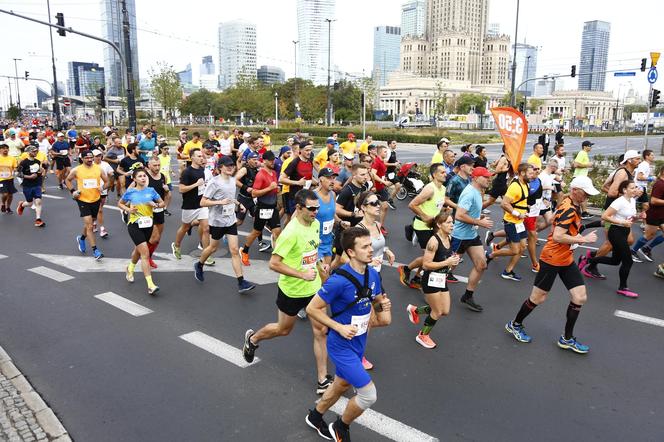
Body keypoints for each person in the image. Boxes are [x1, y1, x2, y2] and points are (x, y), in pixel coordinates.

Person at [304, 227, 391, 442]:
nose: (371, 250)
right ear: (351, 252)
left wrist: (383, 305)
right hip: (340, 345)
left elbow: (377, 299)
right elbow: (312, 309)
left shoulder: (372, 274)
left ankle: (315, 416)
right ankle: (341, 426)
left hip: (359, 341)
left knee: (340, 385)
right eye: (365, 247)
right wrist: (338, 327)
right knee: (368, 395)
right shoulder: (338, 280)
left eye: (370, 245)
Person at [243, 189, 331, 396]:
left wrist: (320, 266)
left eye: (317, 208)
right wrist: (301, 275)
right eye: (311, 208)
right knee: (283, 329)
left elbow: (312, 252)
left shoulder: (316, 225)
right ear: (298, 208)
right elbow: (274, 264)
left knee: (321, 332)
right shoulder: (290, 233)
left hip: (314, 288)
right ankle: (253, 340)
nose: (315, 212)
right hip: (292, 290)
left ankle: (322, 380)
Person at [504, 176, 599, 354]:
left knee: (579, 297)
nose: (587, 196)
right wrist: (582, 239)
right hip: (552, 258)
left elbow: (563, 226)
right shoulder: (569, 207)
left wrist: (596, 224)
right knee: (538, 298)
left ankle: (567, 338)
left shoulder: (571, 203)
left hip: (566, 258)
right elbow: (558, 236)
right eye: (585, 193)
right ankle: (515, 324)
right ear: (575, 190)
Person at [194, 156, 256, 293]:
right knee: (212, 248)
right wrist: (219, 202)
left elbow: (230, 197)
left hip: (230, 220)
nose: (230, 167)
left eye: (232, 165)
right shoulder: (214, 183)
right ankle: (199, 264)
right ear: (220, 167)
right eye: (227, 165)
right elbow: (203, 202)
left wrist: (238, 204)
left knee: (234, 250)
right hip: (217, 222)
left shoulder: (233, 181)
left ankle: (241, 282)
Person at [406, 208, 459, 349]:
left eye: (452, 222)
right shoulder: (433, 242)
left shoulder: (449, 238)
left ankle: (415, 311)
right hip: (430, 280)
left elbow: (445, 256)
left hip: (441, 278)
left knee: (445, 310)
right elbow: (426, 264)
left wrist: (453, 259)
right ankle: (422, 335)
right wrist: (446, 263)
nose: (452, 225)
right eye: (448, 223)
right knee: (437, 311)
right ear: (439, 225)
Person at [579, 180, 642, 297]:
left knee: (615, 261)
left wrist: (638, 217)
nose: (635, 190)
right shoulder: (619, 202)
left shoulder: (632, 200)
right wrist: (621, 222)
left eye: (635, 187)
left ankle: (587, 260)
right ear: (624, 190)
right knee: (628, 261)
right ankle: (623, 287)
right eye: (632, 188)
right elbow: (605, 216)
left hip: (624, 231)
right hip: (616, 232)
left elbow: (629, 218)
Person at [354, 191, 395, 368]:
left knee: (385, 319)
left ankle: (352, 329)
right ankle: (358, 355)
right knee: (369, 319)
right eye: (373, 203)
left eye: (378, 202)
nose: (378, 205)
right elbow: (345, 258)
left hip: (376, 277)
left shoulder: (378, 225)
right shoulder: (358, 231)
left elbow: (378, 245)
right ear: (363, 208)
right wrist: (369, 260)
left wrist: (386, 251)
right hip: (364, 280)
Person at [450, 167, 494, 311]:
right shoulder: (469, 193)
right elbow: (459, 215)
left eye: (489, 177)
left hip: (472, 235)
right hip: (460, 236)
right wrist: (479, 222)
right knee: (446, 268)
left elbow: (468, 213)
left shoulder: (478, 192)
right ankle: (421, 276)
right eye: (486, 177)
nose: (489, 179)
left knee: (481, 265)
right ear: (475, 178)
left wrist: (478, 217)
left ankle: (467, 296)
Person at [399, 163, 447, 289]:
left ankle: (416, 278)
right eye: (442, 172)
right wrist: (425, 216)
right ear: (434, 175)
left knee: (431, 256)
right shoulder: (429, 189)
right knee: (429, 257)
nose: (445, 174)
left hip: (434, 226)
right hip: (423, 226)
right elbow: (412, 204)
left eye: (445, 171)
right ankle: (406, 269)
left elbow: (438, 205)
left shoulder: (443, 188)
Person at [118, 167, 165, 295]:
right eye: (140, 176)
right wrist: (128, 210)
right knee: (145, 254)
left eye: (144, 176)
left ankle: (130, 268)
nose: (143, 178)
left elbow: (162, 203)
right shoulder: (131, 192)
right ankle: (150, 285)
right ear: (134, 179)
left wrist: (155, 205)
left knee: (138, 251)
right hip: (135, 225)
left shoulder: (151, 191)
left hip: (148, 225)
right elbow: (120, 203)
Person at [486, 163, 532, 282]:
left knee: (522, 248)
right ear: (522, 173)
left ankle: (508, 271)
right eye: (530, 173)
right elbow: (504, 204)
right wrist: (518, 214)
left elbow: (519, 201)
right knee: (515, 250)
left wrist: (526, 207)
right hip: (511, 222)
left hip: (520, 222)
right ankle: (490, 255)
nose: (532, 175)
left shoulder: (525, 184)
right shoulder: (515, 186)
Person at [240, 151, 282, 266]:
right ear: (264, 161)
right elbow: (254, 193)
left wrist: (277, 193)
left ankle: (277, 258)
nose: (273, 162)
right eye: (271, 160)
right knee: (256, 232)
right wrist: (269, 188)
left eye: (274, 160)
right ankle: (244, 251)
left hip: (272, 207)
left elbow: (274, 188)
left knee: (277, 231)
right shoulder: (260, 175)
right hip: (262, 208)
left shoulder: (273, 173)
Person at [65, 151, 108, 260]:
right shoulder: (77, 170)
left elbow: (108, 182)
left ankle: (82, 238)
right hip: (83, 200)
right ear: (82, 159)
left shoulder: (99, 169)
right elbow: (67, 180)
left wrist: (103, 188)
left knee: (91, 222)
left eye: (91, 157)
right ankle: (95, 250)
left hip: (96, 199)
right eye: (87, 158)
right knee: (90, 226)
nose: (89, 159)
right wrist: (73, 191)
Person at [171, 149, 211, 262]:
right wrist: (196, 184)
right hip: (189, 205)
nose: (201, 158)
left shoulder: (202, 170)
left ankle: (206, 254)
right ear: (192, 158)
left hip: (201, 204)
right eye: (198, 156)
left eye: (202, 156)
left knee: (206, 228)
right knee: (185, 227)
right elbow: (181, 189)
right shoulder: (187, 172)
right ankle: (177, 245)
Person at [631, 164, 664, 262]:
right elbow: (653, 200)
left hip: (662, 214)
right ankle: (633, 251)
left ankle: (647, 249)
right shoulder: (660, 184)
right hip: (654, 214)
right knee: (649, 235)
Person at [143, 157, 171, 267]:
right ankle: (144, 257)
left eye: (158, 165)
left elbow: (167, 196)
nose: (157, 167)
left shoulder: (162, 177)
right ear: (149, 165)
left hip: (159, 209)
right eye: (154, 165)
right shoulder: (144, 176)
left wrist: (167, 192)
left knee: (157, 237)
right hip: (147, 211)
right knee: (151, 237)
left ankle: (149, 256)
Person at [315, 167, 339, 274]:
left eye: (333, 178)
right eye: (329, 178)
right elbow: (295, 218)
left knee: (326, 275)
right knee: (322, 275)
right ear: (320, 179)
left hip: (328, 242)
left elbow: (332, 214)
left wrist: (341, 222)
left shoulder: (333, 194)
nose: (332, 181)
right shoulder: (312, 196)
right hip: (315, 244)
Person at [15, 145, 46, 226]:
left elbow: (38, 172)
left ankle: (38, 219)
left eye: (36, 151)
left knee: (38, 201)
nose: (36, 152)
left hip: (37, 184)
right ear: (28, 152)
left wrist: (41, 172)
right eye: (33, 151)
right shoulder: (23, 162)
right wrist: (28, 176)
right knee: (29, 203)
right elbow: (17, 174)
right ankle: (22, 205)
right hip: (27, 185)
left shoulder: (38, 161)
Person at [370, 145, 394, 234]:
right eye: (385, 152)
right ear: (380, 152)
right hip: (375, 188)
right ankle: (372, 226)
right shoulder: (377, 161)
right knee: (373, 208)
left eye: (386, 151)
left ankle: (380, 226)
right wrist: (382, 182)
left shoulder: (382, 161)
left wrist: (385, 180)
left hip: (381, 187)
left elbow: (381, 173)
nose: (386, 153)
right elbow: (373, 174)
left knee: (384, 207)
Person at [92, 149, 114, 238]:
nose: (98, 157)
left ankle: (95, 223)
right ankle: (102, 228)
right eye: (96, 156)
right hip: (92, 190)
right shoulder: (90, 165)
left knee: (99, 209)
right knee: (98, 210)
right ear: (93, 157)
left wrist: (111, 184)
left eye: (99, 155)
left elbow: (111, 174)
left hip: (103, 190)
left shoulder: (105, 164)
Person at [483, 145, 511, 211]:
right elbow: (497, 170)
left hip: (503, 182)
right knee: (490, 201)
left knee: (506, 203)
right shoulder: (504, 159)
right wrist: (505, 170)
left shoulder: (509, 158)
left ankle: (505, 220)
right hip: (499, 183)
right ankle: (475, 212)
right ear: (506, 150)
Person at [572, 141, 594, 219]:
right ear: (584, 147)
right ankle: (583, 212)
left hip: (582, 178)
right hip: (579, 178)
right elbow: (576, 164)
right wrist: (587, 165)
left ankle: (583, 212)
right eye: (589, 146)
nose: (591, 147)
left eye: (591, 146)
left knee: (582, 195)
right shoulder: (582, 153)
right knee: (581, 195)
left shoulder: (585, 154)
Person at [0, 143, 18, 214]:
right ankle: (3, 204)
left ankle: (8, 207)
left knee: (10, 194)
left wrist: (16, 170)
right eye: (3, 148)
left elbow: (15, 167)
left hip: (10, 178)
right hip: (1, 179)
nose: (5, 150)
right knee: (5, 194)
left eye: (6, 148)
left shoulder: (12, 158)